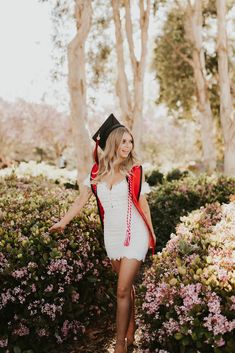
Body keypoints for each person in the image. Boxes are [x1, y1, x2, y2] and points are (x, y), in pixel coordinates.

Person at [49, 114, 156, 353]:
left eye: (130, 141)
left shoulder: (135, 171)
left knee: (120, 290)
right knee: (125, 288)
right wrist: (63, 222)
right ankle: (131, 329)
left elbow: (143, 203)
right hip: (113, 236)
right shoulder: (96, 174)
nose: (128, 146)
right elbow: (80, 201)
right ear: (112, 143)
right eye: (124, 141)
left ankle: (119, 344)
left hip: (134, 233)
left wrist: (151, 232)